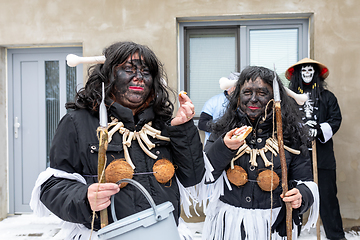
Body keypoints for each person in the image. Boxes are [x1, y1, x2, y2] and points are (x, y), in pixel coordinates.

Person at [30, 41, 205, 239]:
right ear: (108, 76)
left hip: (164, 232)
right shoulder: (77, 122)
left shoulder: (164, 123)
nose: (139, 77)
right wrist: (84, 198)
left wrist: (183, 127)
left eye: (146, 72)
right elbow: (53, 186)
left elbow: (193, 176)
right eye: (128, 69)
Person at [199, 66, 319, 240]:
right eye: (247, 92)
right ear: (238, 97)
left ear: (275, 98)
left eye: (262, 93)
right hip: (230, 224)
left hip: (272, 226)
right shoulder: (223, 130)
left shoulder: (291, 135)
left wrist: (301, 195)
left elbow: (306, 181)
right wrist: (224, 147)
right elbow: (206, 174)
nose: (253, 99)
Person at [286, 58, 346, 240]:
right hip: (296, 155)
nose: (306, 74)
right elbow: (282, 120)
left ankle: (335, 235)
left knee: (328, 196)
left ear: (315, 74)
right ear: (298, 74)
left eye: (310, 71)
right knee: (293, 195)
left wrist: (318, 130)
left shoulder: (327, 97)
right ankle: (289, 233)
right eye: (303, 71)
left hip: (322, 156)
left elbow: (336, 120)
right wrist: (299, 129)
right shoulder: (289, 97)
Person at [198, 72, 238, 143]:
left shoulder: (244, 102)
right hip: (214, 145)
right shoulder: (213, 102)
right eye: (235, 86)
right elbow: (202, 124)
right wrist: (220, 128)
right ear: (228, 87)